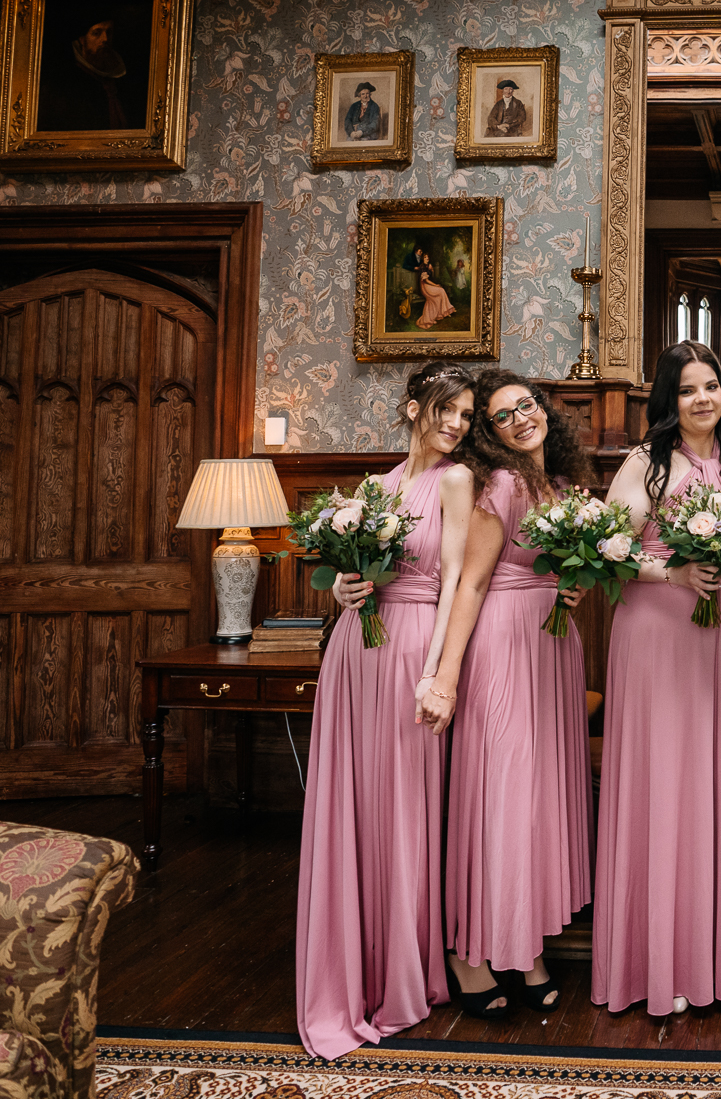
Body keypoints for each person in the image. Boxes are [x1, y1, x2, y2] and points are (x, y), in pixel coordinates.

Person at [592, 341, 721, 1017]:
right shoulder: (644, 466)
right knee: (668, 779)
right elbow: (610, 549)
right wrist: (671, 571)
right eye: (688, 390)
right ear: (667, 401)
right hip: (658, 632)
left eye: (712, 386)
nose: (703, 398)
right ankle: (665, 960)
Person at [295, 362, 477, 1058]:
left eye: (465, 414)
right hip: (354, 654)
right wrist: (342, 591)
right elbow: (357, 573)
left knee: (403, 811)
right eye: (446, 410)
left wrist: (435, 672)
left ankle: (400, 975)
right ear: (412, 410)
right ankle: (349, 968)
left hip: (411, 654)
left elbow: (456, 580)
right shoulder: (372, 489)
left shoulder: (457, 482)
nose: (457, 424)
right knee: (354, 806)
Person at [429, 370, 596, 1017]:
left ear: (543, 409)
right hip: (503, 646)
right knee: (498, 796)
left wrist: (572, 586)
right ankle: (470, 952)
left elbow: (560, 566)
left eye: (526, 406)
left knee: (534, 802)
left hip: (552, 649)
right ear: (490, 434)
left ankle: (522, 947)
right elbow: (471, 584)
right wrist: (447, 673)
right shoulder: (500, 484)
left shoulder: (555, 486)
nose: (522, 418)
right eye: (503, 415)